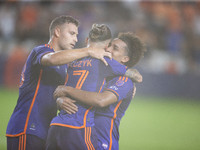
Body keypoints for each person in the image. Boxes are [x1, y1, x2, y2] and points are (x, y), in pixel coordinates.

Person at [6, 15, 113, 150]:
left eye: (76, 35)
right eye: (72, 33)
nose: (75, 39)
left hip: (48, 130)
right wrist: (88, 50)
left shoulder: (65, 66)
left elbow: (58, 91)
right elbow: (51, 59)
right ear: (57, 32)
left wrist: (59, 100)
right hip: (27, 127)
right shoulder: (40, 51)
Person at [46, 30, 145, 150]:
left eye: (115, 48)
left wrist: (68, 90)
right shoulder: (97, 74)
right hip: (79, 135)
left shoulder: (123, 81)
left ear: (125, 59)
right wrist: (60, 100)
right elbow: (64, 93)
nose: (108, 49)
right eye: (109, 45)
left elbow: (101, 100)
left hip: (102, 142)